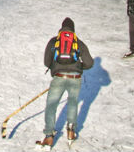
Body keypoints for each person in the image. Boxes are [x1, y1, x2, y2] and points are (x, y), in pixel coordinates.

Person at [38, 17, 94, 148]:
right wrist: (79, 67)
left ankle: (49, 136)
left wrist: (56, 68)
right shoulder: (78, 42)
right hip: (75, 78)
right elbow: (89, 63)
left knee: (51, 105)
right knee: (73, 103)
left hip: (58, 77)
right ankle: (71, 131)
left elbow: (47, 61)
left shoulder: (54, 41)